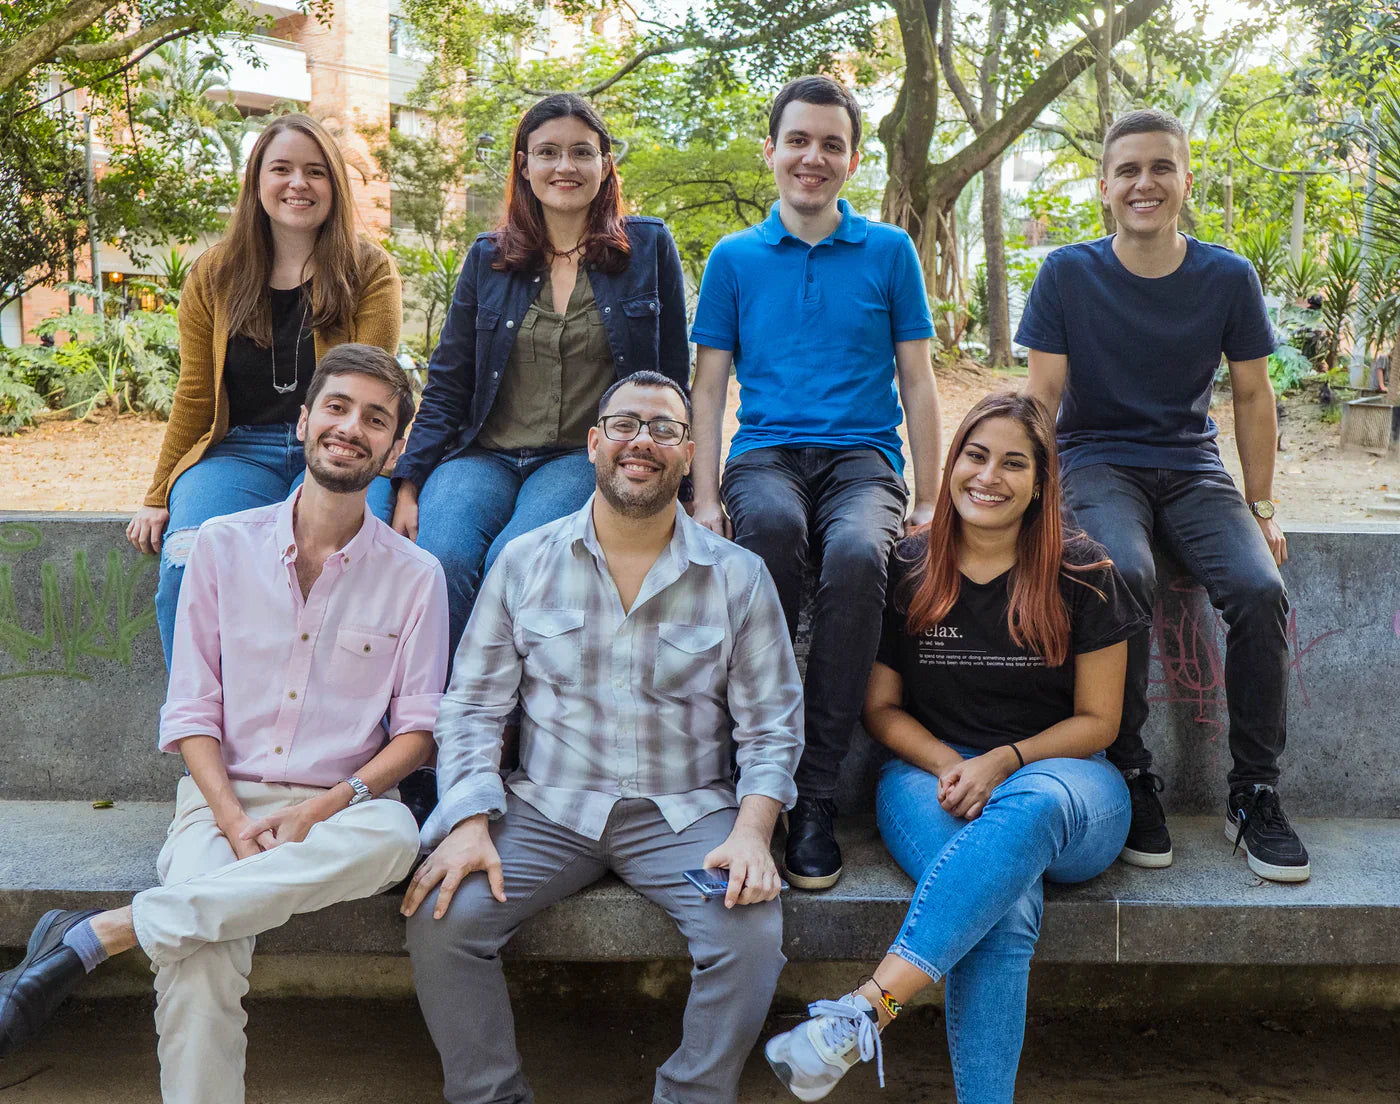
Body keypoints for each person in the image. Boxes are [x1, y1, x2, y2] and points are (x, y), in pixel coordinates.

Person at [0, 346, 449, 1102]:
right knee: (201, 957)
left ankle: (105, 932)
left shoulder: (416, 575)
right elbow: (191, 711)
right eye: (336, 407)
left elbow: (418, 731)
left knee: (398, 838)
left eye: (376, 419)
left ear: (395, 448)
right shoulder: (220, 546)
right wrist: (233, 816)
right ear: (305, 421)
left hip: (343, 811)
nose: (351, 428)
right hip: (219, 798)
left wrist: (324, 804)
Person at [403, 371, 803, 1104]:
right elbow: (470, 708)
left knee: (749, 940)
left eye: (664, 430)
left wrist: (752, 833)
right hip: (548, 809)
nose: (641, 442)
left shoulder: (738, 577)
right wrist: (465, 820)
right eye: (624, 425)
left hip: (686, 815)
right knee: (443, 918)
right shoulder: (524, 563)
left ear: (687, 456)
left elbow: (772, 727)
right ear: (594, 444)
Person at [764, 392, 1141, 1103]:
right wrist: (949, 763)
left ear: (1040, 483)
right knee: (1007, 906)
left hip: (1069, 786)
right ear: (952, 463)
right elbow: (879, 709)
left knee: (1029, 813)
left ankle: (867, 1010)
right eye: (975, 455)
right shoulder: (909, 565)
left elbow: (1099, 720)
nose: (988, 476)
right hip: (927, 778)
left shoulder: (1084, 571)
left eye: (1013, 462)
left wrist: (1004, 761)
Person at [1019, 108, 1309, 882]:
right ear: (1105, 185)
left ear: (1185, 179)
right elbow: (1042, 401)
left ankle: (1253, 792)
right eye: (1128, 170)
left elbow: (1253, 396)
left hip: (1190, 466)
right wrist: (1034, 498)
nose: (1144, 183)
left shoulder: (1225, 276)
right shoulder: (1068, 274)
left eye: (1160, 167)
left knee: (1257, 588)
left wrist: (1262, 505)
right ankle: (1131, 771)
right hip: (1095, 460)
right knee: (1123, 571)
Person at [689, 75, 943, 891]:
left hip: (863, 460)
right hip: (765, 453)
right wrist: (701, 495)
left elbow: (919, 382)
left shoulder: (889, 252)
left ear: (853, 160)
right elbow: (708, 388)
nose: (813, 157)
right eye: (798, 140)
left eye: (831, 144)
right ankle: (754, 777)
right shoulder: (733, 258)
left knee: (861, 557)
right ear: (771, 151)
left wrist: (932, 497)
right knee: (764, 532)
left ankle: (817, 795)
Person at [391, 94, 690, 657]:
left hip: (575, 459)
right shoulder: (488, 257)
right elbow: (449, 383)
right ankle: (439, 721)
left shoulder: (648, 248)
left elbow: (672, 380)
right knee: (442, 559)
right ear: (524, 167)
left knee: (515, 558)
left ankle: (498, 725)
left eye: (582, 152)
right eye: (547, 153)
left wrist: (688, 492)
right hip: (483, 453)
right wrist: (409, 483)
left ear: (605, 165)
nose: (565, 167)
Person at [127, 113, 402, 668]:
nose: (297, 184)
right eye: (281, 169)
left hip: (337, 452)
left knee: (343, 575)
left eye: (315, 172)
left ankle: (325, 741)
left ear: (335, 187)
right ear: (257, 182)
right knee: (184, 566)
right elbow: (195, 393)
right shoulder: (215, 274)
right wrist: (159, 494)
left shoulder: (368, 270)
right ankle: (203, 743)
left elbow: (375, 388)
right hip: (236, 453)